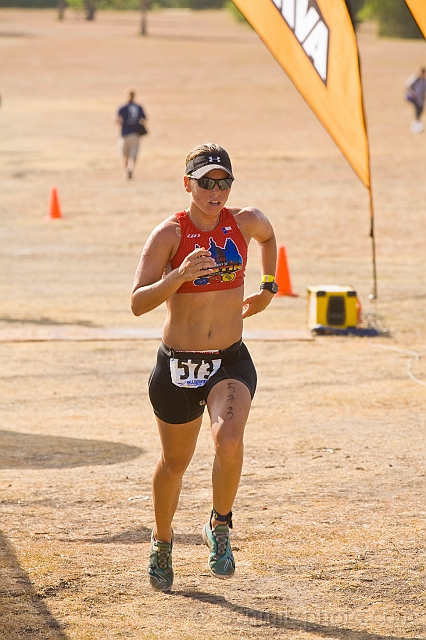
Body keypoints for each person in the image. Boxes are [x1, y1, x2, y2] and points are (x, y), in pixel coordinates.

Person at [131, 142, 278, 592]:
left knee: (228, 439)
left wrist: (268, 287)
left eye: (224, 183)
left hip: (229, 361)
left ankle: (220, 525)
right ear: (187, 184)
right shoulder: (169, 234)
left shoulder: (245, 221)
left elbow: (269, 237)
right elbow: (137, 302)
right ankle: (162, 540)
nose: (216, 192)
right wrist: (177, 277)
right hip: (176, 367)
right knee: (175, 462)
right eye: (206, 183)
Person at [115, 89, 147, 179]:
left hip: (125, 133)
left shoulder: (122, 108)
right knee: (133, 154)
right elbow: (144, 119)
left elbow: (116, 119)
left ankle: (126, 171)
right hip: (135, 134)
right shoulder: (138, 107)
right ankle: (130, 168)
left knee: (125, 155)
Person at [406, 68, 426, 133]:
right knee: (417, 109)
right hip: (414, 98)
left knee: (420, 110)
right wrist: (412, 93)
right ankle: (416, 124)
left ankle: (417, 123)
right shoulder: (415, 79)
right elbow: (407, 85)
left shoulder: (424, 80)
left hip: (421, 99)